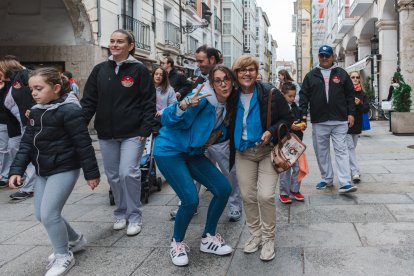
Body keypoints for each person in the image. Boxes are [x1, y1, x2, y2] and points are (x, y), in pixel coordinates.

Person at [8, 67, 100, 276]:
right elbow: (26, 143)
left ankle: (63, 255)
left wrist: (91, 173)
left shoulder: (70, 110)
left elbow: (83, 143)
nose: (33, 93)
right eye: (32, 89)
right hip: (43, 169)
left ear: (56, 88)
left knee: (49, 215)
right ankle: (75, 240)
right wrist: (17, 170)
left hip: (64, 167)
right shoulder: (37, 109)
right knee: (42, 215)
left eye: (39, 88)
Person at [154, 65, 236, 266]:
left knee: (223, 188)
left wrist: (217, 135)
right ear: (211, 83)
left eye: (226, 79)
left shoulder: (228, 103)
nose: (223, 83)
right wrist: (182, 107)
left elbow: (219, 129)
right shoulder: (201, 99)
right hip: (170, 151)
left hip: (192, 152)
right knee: (190, 199)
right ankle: (177, 243)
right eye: (218, 80)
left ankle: (208, 238)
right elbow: (167, 119)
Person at [81, 29, 156, 236]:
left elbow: (148, 102)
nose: (114, 45)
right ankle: (120, 213)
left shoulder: (139, 70)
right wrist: (79, 125)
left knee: (127, 173)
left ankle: (134, 216)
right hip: (106, 133)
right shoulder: (99, 70)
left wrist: (145, 128)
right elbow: (89, 101)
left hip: (133, 132)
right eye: (112, 41)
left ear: (130, 46)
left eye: (120, 41)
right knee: (113, 176)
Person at [229, 55, 294, 261]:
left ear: (257, 73)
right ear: (236, 74)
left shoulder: (271, 93)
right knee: (247, 196)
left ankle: (268, 238)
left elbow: (287, 118)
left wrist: (272, 131)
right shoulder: (231, 94)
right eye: (242, 70)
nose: (246, 73)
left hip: (267, 151)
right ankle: (255, 235)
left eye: (251, 69)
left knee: (265, 196)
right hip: (243, 152)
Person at [170, 45, 243, 222]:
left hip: (220, 140)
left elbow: (233, 114)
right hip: (200, 141)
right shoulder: (199, 82)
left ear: (212, 60)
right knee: (193, 173)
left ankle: (234, 206)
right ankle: (189, 203)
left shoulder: (230, 84)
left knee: (229, 173)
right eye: (197, 61)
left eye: (201, 61)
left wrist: (218, 134)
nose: (198, 64)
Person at [300, 45, 357, 194]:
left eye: (327, 55)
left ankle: (345, 182)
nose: (324, 58)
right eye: (322, 56)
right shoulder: (311, 76)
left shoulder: (342, 74)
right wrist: (303, 116)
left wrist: (351, 114)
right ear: (318, 57)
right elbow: (304, 97)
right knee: (321, 152)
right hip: (319, 121)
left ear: (333, 57)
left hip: (339, 120)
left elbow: (350, 96)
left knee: (342, 150)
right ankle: (327, 178)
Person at [0, 55, 37, 200]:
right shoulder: (9, 82)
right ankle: (22, 178)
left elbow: (35, 94)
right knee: (13, 147)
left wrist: (33, 108)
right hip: (17, 126)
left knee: (28, 152)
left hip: (29, 123)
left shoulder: (24, 76)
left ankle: (29, 187)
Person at [278, 82, 306, 204]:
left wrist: (301, 126)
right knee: (285, 168)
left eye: (294, 96)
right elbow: (278, 124)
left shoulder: (296, 107)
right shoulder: (278, 108)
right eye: (290, 96)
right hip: (284, 142)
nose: (292, 98)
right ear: (283, 95)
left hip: (296, 142)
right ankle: (284, 192)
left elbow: (299, 120)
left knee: (298, 167)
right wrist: (290, 126)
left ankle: (294, 189)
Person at [347, 71, 370, 183]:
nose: (355, 79)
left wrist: (359, 103)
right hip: (346, 124)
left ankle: (349, 169)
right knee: (350, 148)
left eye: (357, 77)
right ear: (349, 78)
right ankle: (355, 172)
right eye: (353, 77)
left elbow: (366, 109)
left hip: (357, 124)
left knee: (352, 148)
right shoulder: (345, 92)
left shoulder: (362, 93)